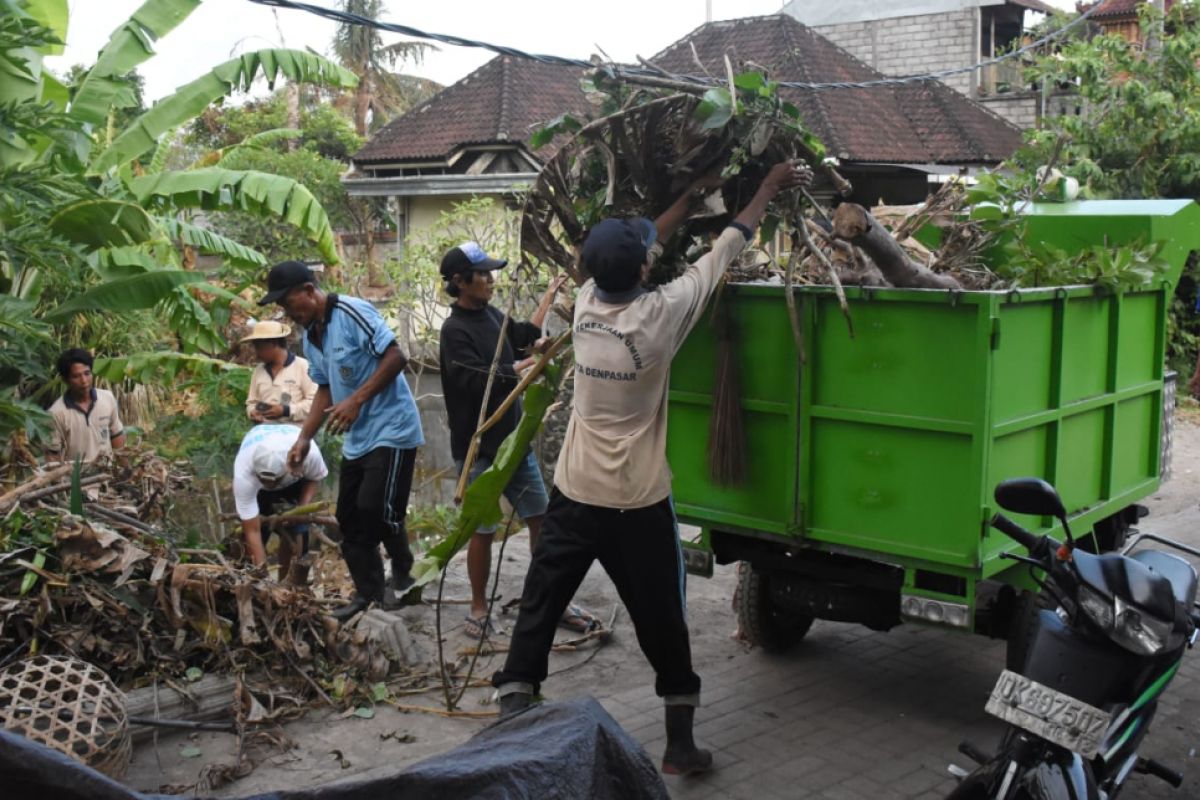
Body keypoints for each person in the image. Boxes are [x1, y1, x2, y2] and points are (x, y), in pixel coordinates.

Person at [492, 160, 814, 776]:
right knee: (663, 616)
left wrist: (684, 202)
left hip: (575, 492)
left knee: (541, 600)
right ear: (644, 270)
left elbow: (647, 240)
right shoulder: (664, 314)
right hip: (638, 502)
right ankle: (680, 746)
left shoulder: (584, 304)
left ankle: (514, 710)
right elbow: (727, 248)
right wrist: (768, 188)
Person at [438, 242, 596, 638]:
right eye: (484, 274)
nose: (492, 280)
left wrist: (539, 342)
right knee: (483, 529)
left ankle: (551, 599)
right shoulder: (453, 331)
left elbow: (523, 334)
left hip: (514, 444)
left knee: (541, 519)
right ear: (459, 282)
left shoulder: (491, 314)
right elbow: (475, 380)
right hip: (478, 449)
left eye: (492, 273)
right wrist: (522, 365)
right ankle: (477, 606)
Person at [259, 261, 424, 621]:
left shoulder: (352, 312)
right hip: (359, 438)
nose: (288, 312)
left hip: (392, 429)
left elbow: (396, 356)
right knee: (349, 519)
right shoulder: (310, 337)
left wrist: (357, 400)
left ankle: (404, 567)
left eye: (289, 303)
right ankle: (369, 596)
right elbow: (325, 390)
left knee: (376, 509)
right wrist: (304, 438)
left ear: (308, 290)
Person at [232, 424, 327, 581]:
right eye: (264, 480)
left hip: (294, 483)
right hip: (258, 491)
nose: (270, 485)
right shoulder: (244, 474)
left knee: (298, 535)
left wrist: (301, 509)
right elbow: (252, 531)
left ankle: (288, 585)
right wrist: (265, 581)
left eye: (273, 482)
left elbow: (314, 478)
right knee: (254, 540)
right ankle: (260, 583)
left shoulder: (308, 455)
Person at [46, 348, 125, 464]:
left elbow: (116, 435)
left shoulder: (107, 399)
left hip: (107, 475)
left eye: (87, 373)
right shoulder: (56, 413)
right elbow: (53, 456)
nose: (84, 381)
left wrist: (124, 469)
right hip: (75, 479)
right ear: (65, 380)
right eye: (76, 376)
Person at [242, 320, 318, 425]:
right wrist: (252, 412)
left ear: (273, 344)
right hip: (264, 432)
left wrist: (286, 411)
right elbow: (251, 402)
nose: (257, 354)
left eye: (259, 348)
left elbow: (315, 403)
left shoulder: (303, 366)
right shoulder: (259, 370)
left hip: (295, 434)